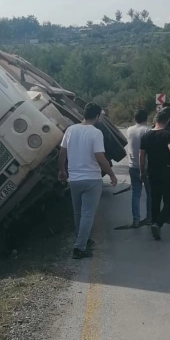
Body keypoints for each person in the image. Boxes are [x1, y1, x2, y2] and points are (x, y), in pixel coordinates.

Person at [58, 102, 118, 259]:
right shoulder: (96, 133)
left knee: (78, 213)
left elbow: (62, 153)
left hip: (74, 179)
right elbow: (100, 158)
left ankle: (82, 240)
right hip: (91, 179)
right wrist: (111, 174)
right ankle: (79, 248)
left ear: (83, 114)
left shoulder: (70, 130)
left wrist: (62, 170)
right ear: (97, 116)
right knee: (87, 214)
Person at [139, 105, 170, 241]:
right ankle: (159, 223)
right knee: (169, 201)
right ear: (166, 121)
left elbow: (141, 156)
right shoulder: (168, 134)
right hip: (167, 171)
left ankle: (155, 226)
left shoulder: (146, 136)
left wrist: (142, 171)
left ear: (155, 121)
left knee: (155, 200)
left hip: (152, 172)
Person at [126, 108, 152, 228]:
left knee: (135, 194)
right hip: (146, 166)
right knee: (150, 194)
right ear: (146, 118)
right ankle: (149, 218)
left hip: (132, 165)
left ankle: (136, 219)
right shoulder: (148, 130)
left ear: (135, 118)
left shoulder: (129, 130)